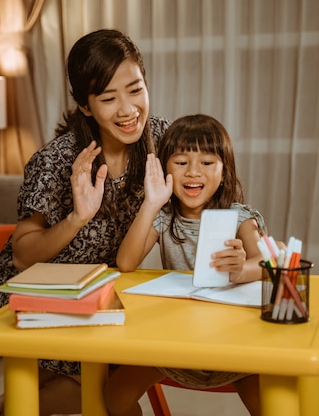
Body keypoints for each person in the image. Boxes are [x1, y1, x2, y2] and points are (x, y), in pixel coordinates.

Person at [0, 29, 171, 416]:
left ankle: (24, 401)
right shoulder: (56, 161)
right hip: (39, 291)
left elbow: (198, 192)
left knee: (117, 383)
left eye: (135, 90)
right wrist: (76, 217)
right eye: (108, 98)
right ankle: (18, 404)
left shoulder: (161, 140)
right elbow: (21, 257)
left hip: (101, 289)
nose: (127, 109)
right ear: (85, 107)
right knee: (115, 400)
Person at [105, 114, 266, 416]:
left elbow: (268, 262)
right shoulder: (165, 217)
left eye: (207, 163)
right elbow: (125, 263)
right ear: (166, 168)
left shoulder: (240, 217)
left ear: (223, 171)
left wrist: (243, 269)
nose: (193, 172)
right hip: (173, 346)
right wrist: (151, 203)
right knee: (115, 395)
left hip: (235, 349)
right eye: (181, 163)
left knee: (270, 405)